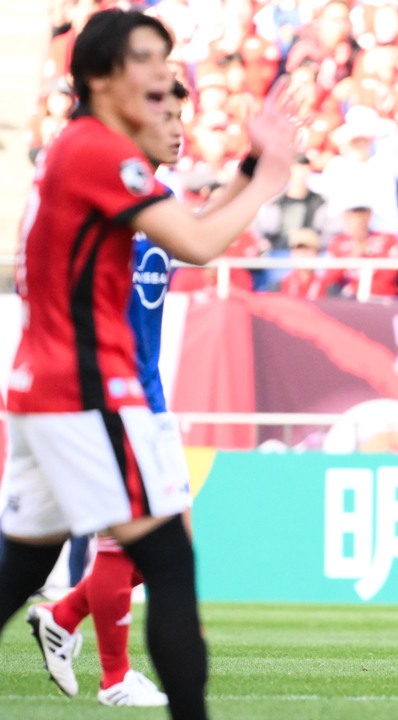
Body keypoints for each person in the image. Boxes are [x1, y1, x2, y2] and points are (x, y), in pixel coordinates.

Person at [0, 10, 295, 720]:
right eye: (145, 59)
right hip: (87, 389)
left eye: (166, 60)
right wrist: (269, 180)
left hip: (49, 388)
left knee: (21, 569)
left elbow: (189, 228)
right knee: (169, 558)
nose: (163, 75)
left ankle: (79, 636)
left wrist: (249, 171)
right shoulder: (101, 153)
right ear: (99, 77)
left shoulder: (85, 150)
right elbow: (199, 243)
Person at [24, 78, 193, 709]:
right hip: (106, 390)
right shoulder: (98, 196)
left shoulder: (160, 202)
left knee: (165, 544)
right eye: (165, 116)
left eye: (181, 118)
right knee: (137, 542)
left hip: (145, 390)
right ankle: (115, 676)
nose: (177, 130)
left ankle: (65, 615)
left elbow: (202, 243)